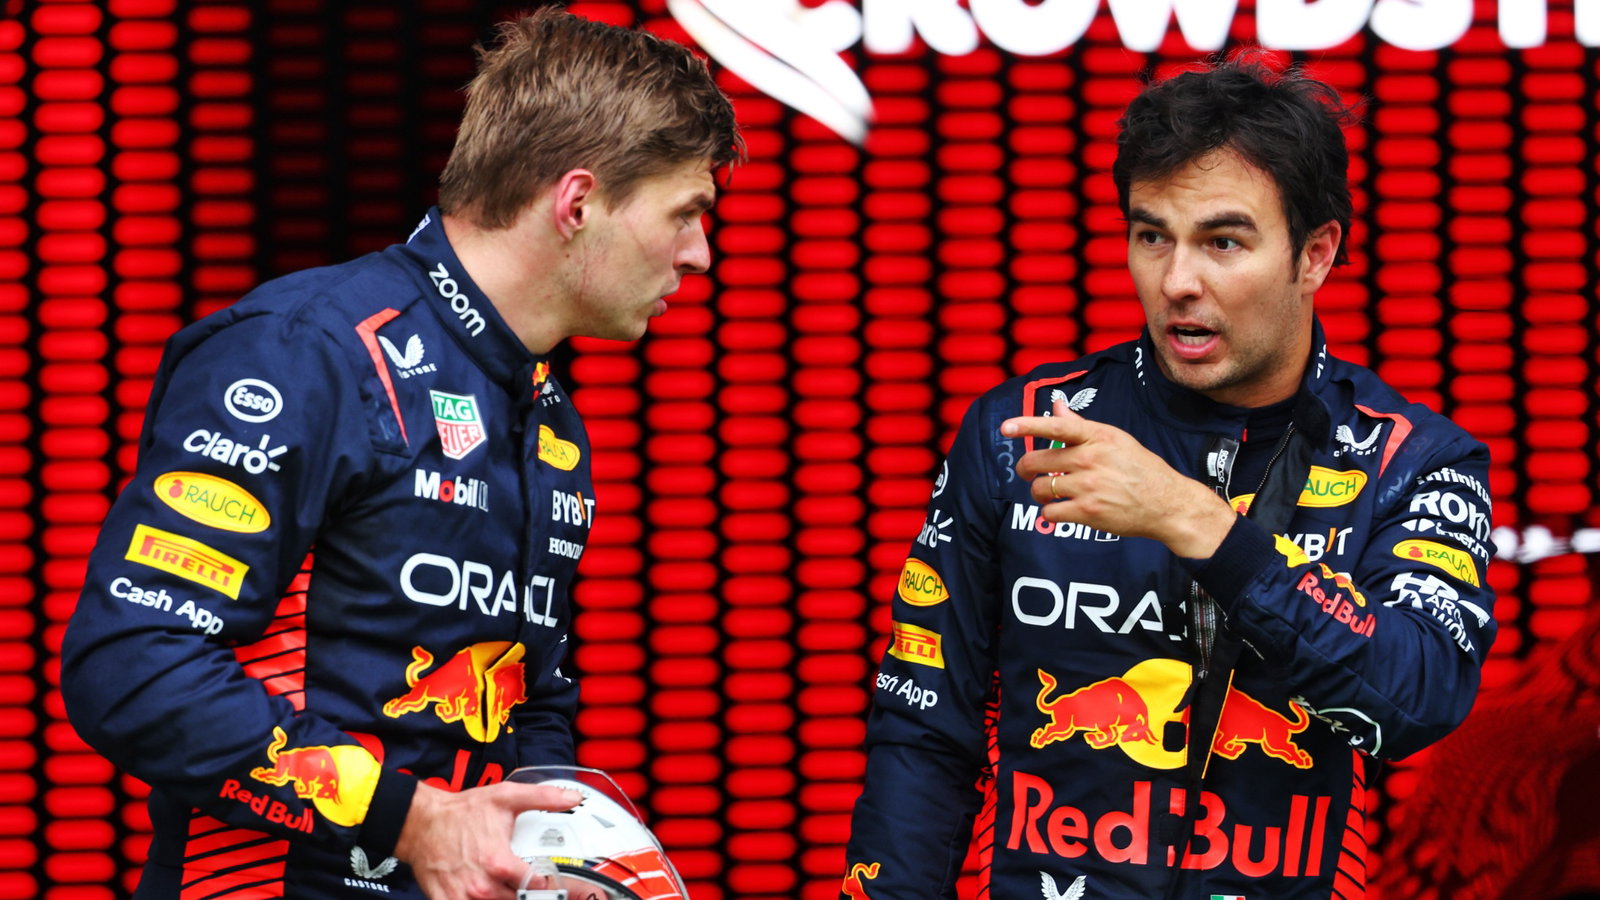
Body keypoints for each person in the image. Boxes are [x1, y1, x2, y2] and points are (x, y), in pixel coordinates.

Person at [61, 10, 742, 899]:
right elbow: (133, 663)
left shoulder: (549, 423)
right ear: (578, 202)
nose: (699, 255)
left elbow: (530, 702)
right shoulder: (307, 351)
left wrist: (557, 853)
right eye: (687, 213)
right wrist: (414, 821)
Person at [842, 59, 1496, 900]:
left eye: (1223, 241)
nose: (1178, 282)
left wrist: (1202, 527)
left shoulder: (1410, 458)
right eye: (1153, 235)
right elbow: (925, 733)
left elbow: (1417, 701)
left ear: (1316, 254)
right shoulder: (1024, 434)